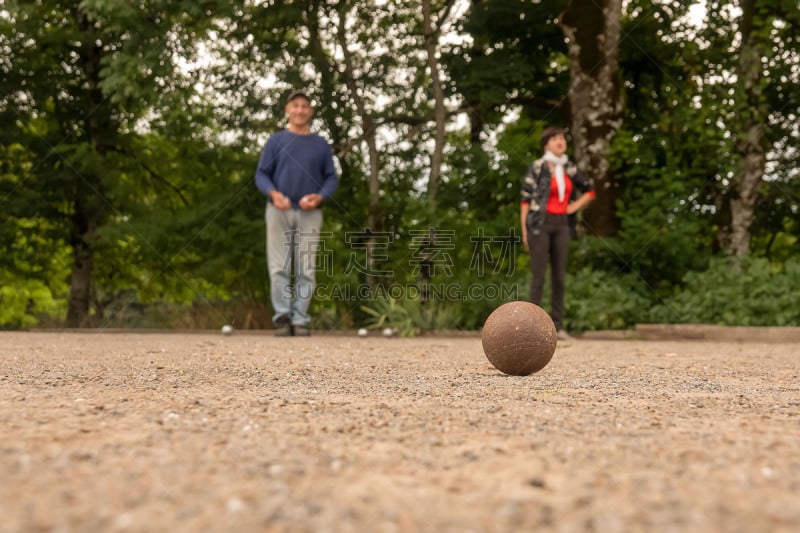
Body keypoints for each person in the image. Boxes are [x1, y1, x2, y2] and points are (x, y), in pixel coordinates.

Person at [255, 90, 338, 336]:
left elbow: (331, 178)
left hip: (309, 213)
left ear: (310, 111)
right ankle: (282, 316)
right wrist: (273, 193)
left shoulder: (320, 144)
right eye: (295, 105)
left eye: (304, 106)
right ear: (287, 110)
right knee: (279, 265)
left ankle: (300, 318)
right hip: (278, 209)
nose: (300, 110)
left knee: (306, 268)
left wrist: (320, 196)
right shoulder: (276, 141)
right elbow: (261, 174)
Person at [520, 127, 595, 341]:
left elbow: (590, 190)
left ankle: (557, 327)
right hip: (539, 225)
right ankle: (532, 329)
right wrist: (525, 231)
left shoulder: (570, 168)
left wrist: (573, 207)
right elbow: (525, 200)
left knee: (559, 277)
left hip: (562, 225)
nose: (560, 141)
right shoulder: (537, 167)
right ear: (546, 144)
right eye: (554, 139)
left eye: (562, 138)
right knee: (538, 277)